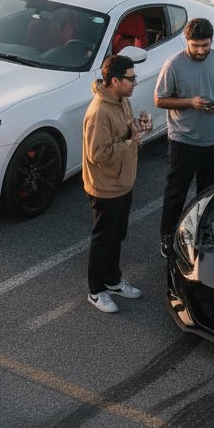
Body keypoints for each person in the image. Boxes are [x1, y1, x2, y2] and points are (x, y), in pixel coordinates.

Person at [155, 18, 214, 257]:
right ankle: (168, 235)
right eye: (195, 46)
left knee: (209, 191)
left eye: (205, 45)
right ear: (186, 41)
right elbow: (159, 99)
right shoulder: (174, 65)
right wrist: (190, 102)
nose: (201, 50)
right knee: (176, 191)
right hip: (184, 140)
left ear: (212, 40)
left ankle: (202, 232)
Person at [82, 54, 145, 314]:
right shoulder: (99, 112)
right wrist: (132, 143)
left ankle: (114, 280)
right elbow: (97, 154)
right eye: (131, 78)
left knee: (116, 236)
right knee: (103, 240)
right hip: (106, 188)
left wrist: (136, 128)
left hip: (123, 183)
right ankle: (96, 291)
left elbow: (127, 129)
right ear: (115, 80)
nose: (135, 82)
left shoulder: (121, 100)